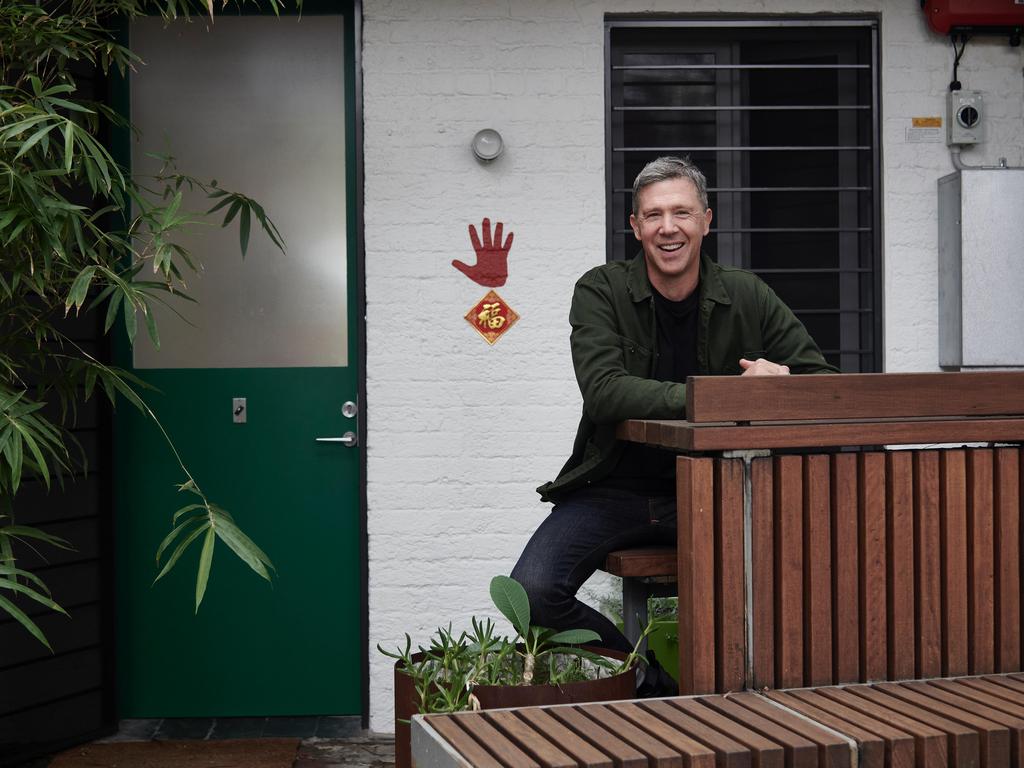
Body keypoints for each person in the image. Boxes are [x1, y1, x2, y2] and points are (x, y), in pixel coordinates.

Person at [511, 155, 837, 696]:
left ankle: (756, 702)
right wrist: (717, 396)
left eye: (682, 212)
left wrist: (782, 379)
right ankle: (645, 681)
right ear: (635, 226)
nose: (669, 227)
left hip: (721, 486)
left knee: (807, 573)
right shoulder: (601, 290)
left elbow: (821, 381)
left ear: (706, 221)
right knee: (532, 590)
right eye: (654, 214)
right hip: (614, 487)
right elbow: (605, 391)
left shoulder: (747, 293)